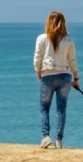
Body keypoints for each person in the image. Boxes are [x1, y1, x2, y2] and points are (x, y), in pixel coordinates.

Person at [33, 10, 80, 148]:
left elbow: (37, 57)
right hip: (65, 76)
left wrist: (38, 71)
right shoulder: (68, 40)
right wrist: (76, 78)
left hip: (47, 76)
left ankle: (46, 137)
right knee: (61, 110)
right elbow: (73, 60)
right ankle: (59, 140)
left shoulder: (42, 38)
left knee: (44, 108)